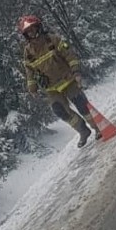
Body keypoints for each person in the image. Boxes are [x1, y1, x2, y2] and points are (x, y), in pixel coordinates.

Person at [18, 14, 101, 148]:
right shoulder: (28, 52)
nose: (31, 33)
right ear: (25, 35)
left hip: (68, 79)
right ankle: (83, 130)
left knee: (82, 104)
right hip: (52, 88)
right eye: (28, 32)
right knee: (59, 110)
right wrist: (32, 88)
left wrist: (77, 72)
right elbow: (29, 71)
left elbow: (70, 55)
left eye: (33, 29)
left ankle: (99, 127)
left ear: (39, 27)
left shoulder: (53, 40)